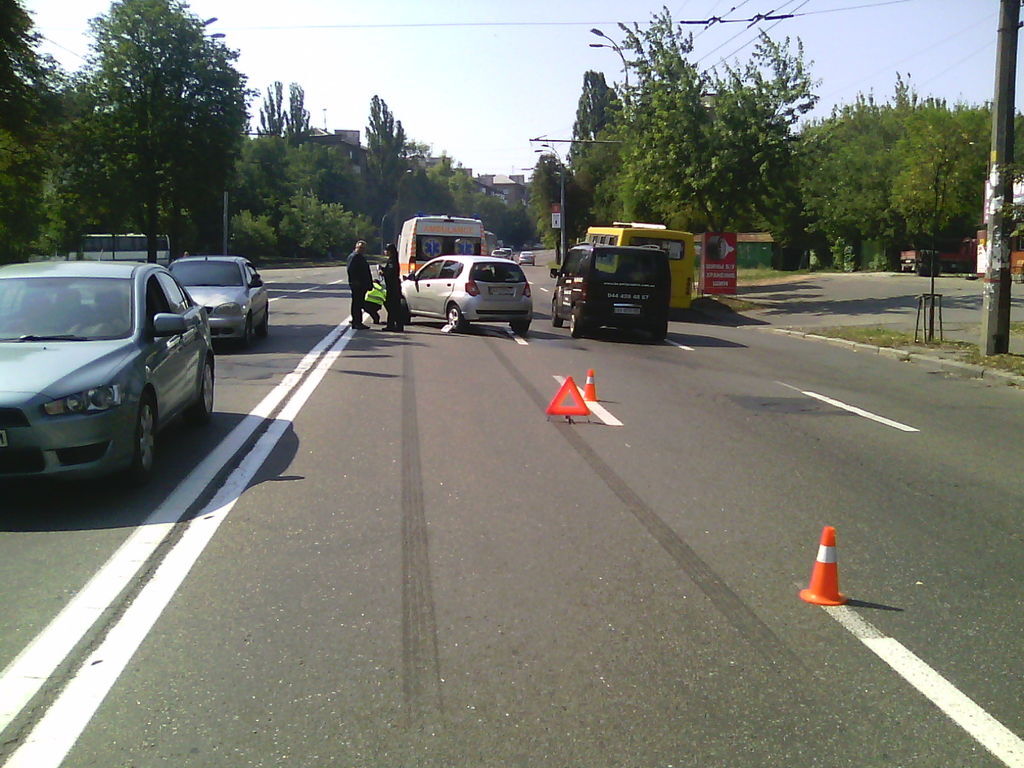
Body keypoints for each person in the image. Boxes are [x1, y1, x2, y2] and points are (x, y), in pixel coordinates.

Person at [346, 240, 372, 329]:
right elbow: (351, 270)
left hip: (360, 284)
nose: (362, 249)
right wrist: (355, 281)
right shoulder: (355, 256)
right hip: (358, 284)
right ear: (356, 247)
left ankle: (356, 321)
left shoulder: (358, 256)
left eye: (363, 248)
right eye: (360, 248)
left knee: (357, 303)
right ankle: (357, 322)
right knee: (357, 304)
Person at [381, 242, 404, 331]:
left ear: (390, 251)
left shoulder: (392, 261)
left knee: (393, 307)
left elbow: (391, 274)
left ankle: (395, 326)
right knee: (393, 307)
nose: (385, 252)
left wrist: (383, 273)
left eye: (386, 250)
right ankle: (392, 325)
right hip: (393, 287)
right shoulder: (392, 259)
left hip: (393, 288)